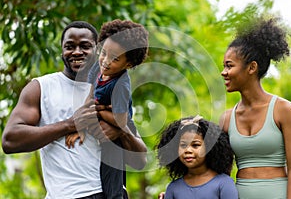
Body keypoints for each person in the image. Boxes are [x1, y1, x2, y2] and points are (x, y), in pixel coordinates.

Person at [2, 20, 147, 199]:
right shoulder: (41, 87)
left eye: (85, 46)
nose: (77, 52)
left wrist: (121, 132)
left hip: (103, 193)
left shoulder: (112, 89)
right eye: (70, 46)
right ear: (62, 50)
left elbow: (140, 160)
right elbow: (10, 140)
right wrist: (70, 125)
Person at [65, 19, 149, 199]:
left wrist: (100, 110)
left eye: (115, 58)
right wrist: (80, 128)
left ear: (128, 64)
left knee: (113, 182)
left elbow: (121, 121)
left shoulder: (121, 85)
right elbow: (89, 98)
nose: (106, 61)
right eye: (104, 53)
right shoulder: (98, 67)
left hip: (119, 124)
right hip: (104, 121)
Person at [219, 15, 291, 199]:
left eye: (229, 66)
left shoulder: (284, 110)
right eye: (223, 66)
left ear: (251, 67)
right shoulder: (226, 118)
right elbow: (215, 171)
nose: (223, 72)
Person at [156, 115, 238, 199]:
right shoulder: (173, 188)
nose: (187, 150)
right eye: (183, 145)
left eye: (195, 145)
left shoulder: (224, 183)